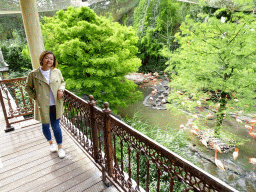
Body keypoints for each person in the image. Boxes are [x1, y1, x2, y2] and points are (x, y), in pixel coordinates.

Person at [25, 51, 66, 158]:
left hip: (55, 104)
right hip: (42, 105)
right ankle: (51, 143)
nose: (49, 60)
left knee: (56, 126)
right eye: (47, 58)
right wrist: (36, 97)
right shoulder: (33, 74)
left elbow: (62, 82)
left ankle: (60, 148)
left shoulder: (57, 72)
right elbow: (27, 88)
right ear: (42, 59)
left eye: (51, 59)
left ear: (53, 61)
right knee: (45, 125)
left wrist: (61, 90)